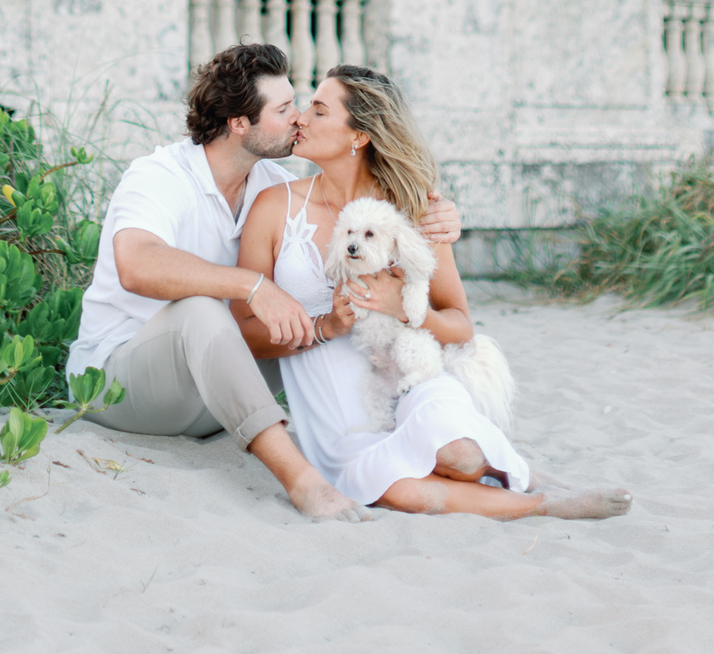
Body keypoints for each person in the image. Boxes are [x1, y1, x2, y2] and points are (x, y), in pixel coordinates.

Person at [67, 43, 462, 522]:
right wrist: (251, 285)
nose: (300, 118)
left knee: (323, 306)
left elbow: (353, 209)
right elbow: (136, 264)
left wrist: (432, 216)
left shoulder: (271, 187)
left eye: (302, 105)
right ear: (239, 123)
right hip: (125, 386)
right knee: (203, 309)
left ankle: (412, 447)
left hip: (218, 394)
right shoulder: (160, 175)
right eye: (284, 109)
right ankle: (303, 482)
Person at [234, 63, 633, 521]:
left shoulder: (416, 209)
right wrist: (326, 326)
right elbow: (242, 332)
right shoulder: (275, 207)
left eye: (319, 110)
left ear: (359, 136)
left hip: (412, 378)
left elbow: (461, 327)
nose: (301, 117)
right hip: (338, 410)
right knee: (400, 491)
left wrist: (404, 310)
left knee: (458, 457)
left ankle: (514, 469)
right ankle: (542, 503)